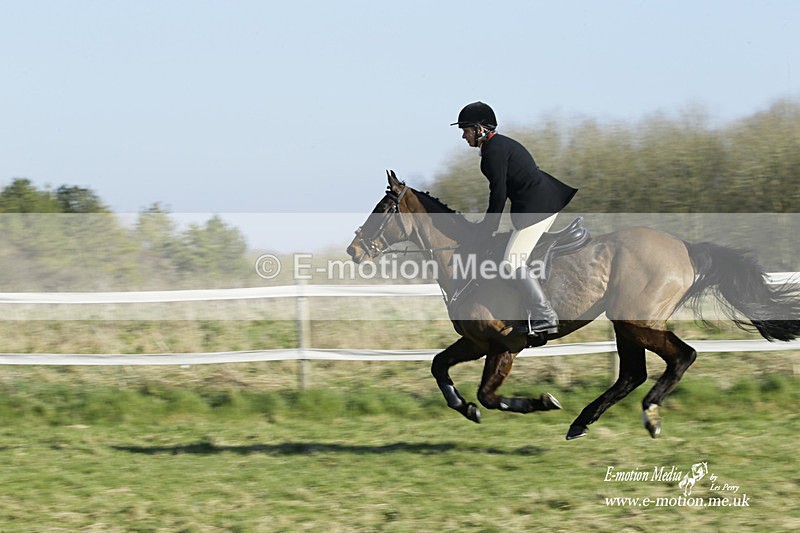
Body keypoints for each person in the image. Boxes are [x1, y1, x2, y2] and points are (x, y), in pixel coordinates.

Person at [451, 101, 577, 335]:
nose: (463, 136)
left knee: (511, 262)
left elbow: (498, 195)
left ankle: (545, 315)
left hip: (539, 207)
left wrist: (487, 229)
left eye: (465, 130)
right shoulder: (497, 146)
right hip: (540, 203)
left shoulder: (493, 152)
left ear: (480, 129)